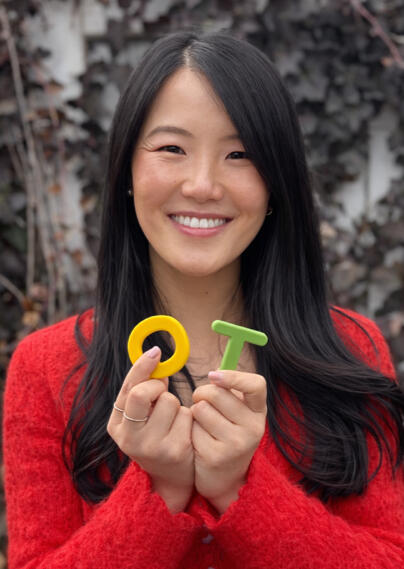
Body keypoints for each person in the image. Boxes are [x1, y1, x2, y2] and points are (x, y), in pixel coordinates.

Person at [3, 30, 404, 569]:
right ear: (126, 171)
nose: (202, 185)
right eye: (172, 148)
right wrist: (161, 488)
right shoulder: (46, 368)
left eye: (239, 154)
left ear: (275, 183)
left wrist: (240, 487)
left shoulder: (352, 348)